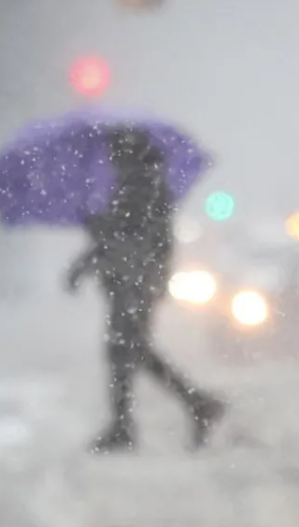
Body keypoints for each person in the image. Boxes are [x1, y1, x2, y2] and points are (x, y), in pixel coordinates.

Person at [67, 127, 225, 453]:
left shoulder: (141, 185)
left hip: (134, 283)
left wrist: (93, 233)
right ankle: (187, 406)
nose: (110, 158)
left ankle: (147, 418)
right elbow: (123, 236)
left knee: (125, 349)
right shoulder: (142, 183)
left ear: (127, 152)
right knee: (129, 350)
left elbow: (123, 238)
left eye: (114, 151)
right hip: (133, 282)